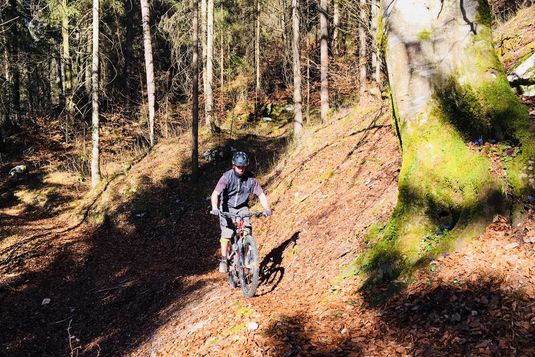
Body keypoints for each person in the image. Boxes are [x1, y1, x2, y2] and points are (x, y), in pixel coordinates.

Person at [210, 151, 272, 273]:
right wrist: (215, 208)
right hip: (227, 207)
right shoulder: (226, 177)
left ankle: (248, 257)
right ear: (234, 165)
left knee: (247, 229)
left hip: (242, 207)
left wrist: (267, 208)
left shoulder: (250, 179)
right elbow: (215, 194)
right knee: (227, 232)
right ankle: (224, 259)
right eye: (239, 166)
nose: (241, 169)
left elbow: (261, 195)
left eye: (244, 166)